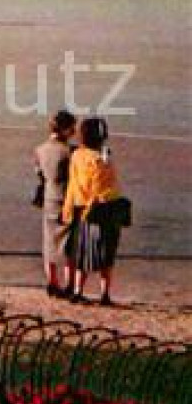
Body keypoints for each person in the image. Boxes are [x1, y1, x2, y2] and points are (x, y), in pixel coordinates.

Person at [63, 117, 127, 306]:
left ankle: (77, 290)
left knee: (82, 252)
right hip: (100, 210)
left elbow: (73, 184)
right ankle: (104, 294)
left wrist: (68, 209)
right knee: (106, 253)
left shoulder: (76, 156)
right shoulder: (99, 161)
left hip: (80, 208)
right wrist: (107, 164)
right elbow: (106, 189)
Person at [33, 110, 76, 298]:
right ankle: (70, 284)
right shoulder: (69, 152)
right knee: (69, 244)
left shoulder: (39, 150)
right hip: (67, 199)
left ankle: (52, 281)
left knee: (49, 241)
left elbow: (40, 175)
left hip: (49, 198)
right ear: (66, 129)